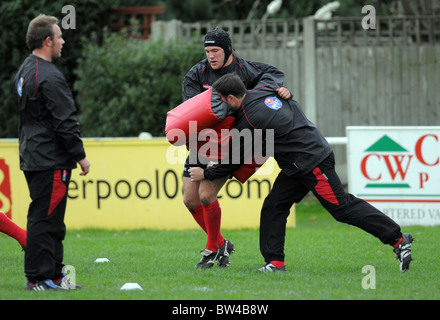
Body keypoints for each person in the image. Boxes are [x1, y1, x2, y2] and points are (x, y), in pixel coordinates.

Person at [189, 73, 414, 273]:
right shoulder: (264, 89)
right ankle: (275, 263)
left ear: (231, 98)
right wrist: (287, 91)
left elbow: (233, 161)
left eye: (220, 99)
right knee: (274, 206)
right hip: (297, 164)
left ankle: (397, 239)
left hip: (311, 162)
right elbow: (277, 81)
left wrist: (206, 174)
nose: (218, 105)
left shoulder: (248, 119)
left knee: (342, 208)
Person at [181, 27, 291, 269]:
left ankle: (212, 250)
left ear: (228, 50)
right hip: (202, 141)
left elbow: (274, 74)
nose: (211, 55)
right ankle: (221, 244)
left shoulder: (246, 70)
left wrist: (276, 90)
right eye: (207, 50)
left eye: (216, 50)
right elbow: (189, 107)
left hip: (230, 144)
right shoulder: (197, 73)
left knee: (206, 195)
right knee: (190, 200)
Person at [13, 14, 90, 291]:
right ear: (48, 41)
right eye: (58, 36)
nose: (62, 40)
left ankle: (54, 276)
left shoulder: (24, 71)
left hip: (32, 157)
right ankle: (41, 277)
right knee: (46, 220)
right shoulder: (50, 76)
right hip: (51, 160)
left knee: (48, 219)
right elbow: (65, 121)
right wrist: (80, 155)